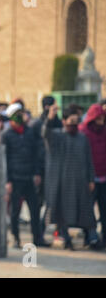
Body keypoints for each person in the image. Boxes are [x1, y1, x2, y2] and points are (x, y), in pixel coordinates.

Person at [43, 103, 98, 250]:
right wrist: (50, 116)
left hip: (81, 181)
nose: (74, 125)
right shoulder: (58, 136)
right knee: (63, 213)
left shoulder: (83, 138)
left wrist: (91, 179)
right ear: (64, 121)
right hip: (64, 182)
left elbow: (89, 160)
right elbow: (45, 133)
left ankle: (91, 237)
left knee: (86, 212)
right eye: (71, 122)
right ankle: (65, 237)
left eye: (76, 122)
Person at [0, 103, 48, 248]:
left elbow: (36, 154)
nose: (20, 117)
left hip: (29, 177)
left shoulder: (30, 132)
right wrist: (7, 180)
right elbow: (4, 159)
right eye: (17, 115)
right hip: (15, 179)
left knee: (34, 209)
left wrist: (37, 173)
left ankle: (37, 238)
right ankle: (15, 238)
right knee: (15, 211)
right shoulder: (6, 135)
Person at [29, 96, 63, 236]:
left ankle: (48, 229)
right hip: (41, 168)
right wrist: (36, 171)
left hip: (54, 167)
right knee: (38, 202)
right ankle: (37, 232)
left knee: (53, 200)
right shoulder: (36, 124)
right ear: (47, 107)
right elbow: (33, 149)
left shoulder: (58, 123)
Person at [79, 103, 106, 248]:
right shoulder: (83, 133)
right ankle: (90, 237)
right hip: (89, 179)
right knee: (88, 210)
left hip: (103, 177)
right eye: (99, 118)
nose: (101, 121)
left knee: (104, 210)